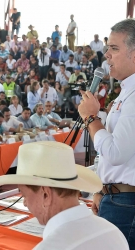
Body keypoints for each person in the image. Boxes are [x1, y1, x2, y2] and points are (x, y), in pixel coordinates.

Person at [0, 141, 128, 250]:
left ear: (46, 195)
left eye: (24, 195)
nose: (25, 203)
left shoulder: (51, 246)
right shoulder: (112, 231)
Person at [78, 19, 135, 249]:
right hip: (117, 198)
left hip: (126, 203)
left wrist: (92, 119)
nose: (107, 56)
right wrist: (102, 189)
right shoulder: (126, 93)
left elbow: (116, 153)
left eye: (114, 48)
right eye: (107, 48)